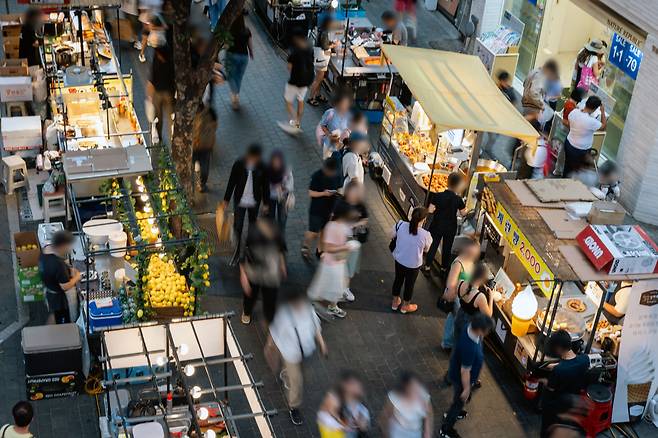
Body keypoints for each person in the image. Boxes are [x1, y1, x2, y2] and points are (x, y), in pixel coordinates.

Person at [265, 289, 328, 426]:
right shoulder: (283, 316)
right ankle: (294, 406)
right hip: (290, 354)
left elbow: (316, 326)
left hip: (305, 351)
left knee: (298, 374)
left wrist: (322, 344)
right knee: (297, 382)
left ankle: (286, 373)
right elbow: (274, 333)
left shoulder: (308, 309)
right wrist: (270, 348)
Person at [440, 313, 494, 438]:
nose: (487, 333)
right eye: (487, 330)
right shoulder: (469, 346)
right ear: (480, 330)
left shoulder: (468, 327)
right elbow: (465, 371)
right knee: (459, 401)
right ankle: (446, 428)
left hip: (459, 372)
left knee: (461, 399)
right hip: (461, 378)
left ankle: (455, 412)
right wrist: (467, 389)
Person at [308, 202, 360, 318]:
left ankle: (330, 306)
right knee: (326, 286)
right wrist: (346, 247)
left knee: (334, 286)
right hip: (330, 264)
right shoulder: (331, 227)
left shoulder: (342, 225)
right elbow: (327, 247)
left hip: (338, 262)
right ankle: (318, 305)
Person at [222, 144, 270, 266]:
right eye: (254, 158)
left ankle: (249, 249)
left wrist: (266, 203)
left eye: (257, 158)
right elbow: (231, 182)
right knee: (238, 225)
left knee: (253, 225)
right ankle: (237, 252)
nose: (255, 160)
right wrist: (226, 200)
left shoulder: (262, 166)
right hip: (240, 200)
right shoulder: (239, 164)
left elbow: (265, 186)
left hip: (254, 201)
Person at [539, 330, 590, 438]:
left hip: (555, 406)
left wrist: (545, 381)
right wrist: (558, 365)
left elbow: (550, 390)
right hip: (571, 403)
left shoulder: (558, 371)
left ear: (558, 348)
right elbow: (571, 364)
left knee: (548, 432)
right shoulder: (585, 360)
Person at [239, 218, 286, 325]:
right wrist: (243, 275)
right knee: (250, 294)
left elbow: (281, 250)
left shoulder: (277, 234)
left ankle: (269, 316)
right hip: (254, 270)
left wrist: (282, 265)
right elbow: (243, 256)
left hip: (271, 271)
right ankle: (247, 311)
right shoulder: (252, 235)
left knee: (271, 296)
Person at [440, 239, 480, 351]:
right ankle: (448, 343)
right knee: (455, 320)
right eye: (474, 251)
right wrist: (452, 297)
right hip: (457, 298)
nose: (476, 254)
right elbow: (451, 283)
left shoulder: (471, 262)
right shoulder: (458, 263)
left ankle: (453, 343)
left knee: (458, 321)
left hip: (465, 298)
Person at [391, 207, 432, 314]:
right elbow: (427, 249)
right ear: (423, 220)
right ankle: (405, 306)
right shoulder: (426, 235)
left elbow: (392, 235)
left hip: (399, 259)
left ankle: (395, 302)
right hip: (413, 265)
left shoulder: (400, 225)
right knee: (410, 284)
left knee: (398, 279)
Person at [423, 172, 467, 273]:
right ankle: (443, 269)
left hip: (437, 224)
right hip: (450, 227)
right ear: (457, 186)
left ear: (447, 182)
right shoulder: (458, 199)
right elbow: (464, 213)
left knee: (433, 245)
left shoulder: (438, 196)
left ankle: (427, 267)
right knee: (447, 248)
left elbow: (430, 210)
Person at [336, 180, 369, 301]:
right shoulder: (340, 204)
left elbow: (365, 219)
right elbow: (333, 219)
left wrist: (355, 224)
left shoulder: (361, 205)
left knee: (350, 265)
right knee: (340, 264)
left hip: (353, 240)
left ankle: (345, 288)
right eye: (356, 191)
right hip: (340, 239)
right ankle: (338, 288)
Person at [302, 158, 340, 260]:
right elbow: (311, 192)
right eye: (330, 171)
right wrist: (324, 193)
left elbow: (337, 191)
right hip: (316, 210)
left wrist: (333, 211)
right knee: (314, 232)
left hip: (328, 210)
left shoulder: (335, 176)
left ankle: (319, 250)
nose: (332, 173)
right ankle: (306, 245)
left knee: (324, 231)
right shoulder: (317, 176)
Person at [39, 230, 80, 324]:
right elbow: (65, 286)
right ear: (62, 246)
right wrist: (77, 277)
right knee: (62, 317)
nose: (70, 248)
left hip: (49, 290)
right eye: (68, 245)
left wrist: (68, 269)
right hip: (58, 298)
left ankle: (51, 329)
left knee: (54, 313)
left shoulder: (46, 249)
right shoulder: (57, 265)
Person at [146, 15, 175, 144]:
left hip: (159, 93)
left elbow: (151, 79)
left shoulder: (157, 61)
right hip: (169, 93)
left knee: (159, 117)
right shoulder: (171, 60)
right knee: (170, 118)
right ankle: (172, 137)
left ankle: (160, 137)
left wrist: (149, 96)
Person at [379, 371, 433, 438]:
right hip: (398, 432)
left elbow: (429, 414)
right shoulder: (395, 398)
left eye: (418, 386)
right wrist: (386, 434)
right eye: (413, 388)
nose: (418, 391)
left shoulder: (423, 396)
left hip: (415, 433)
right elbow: (385, 417)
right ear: (405, 389)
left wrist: (427, 432)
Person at [279, 32, 315, 134]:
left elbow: (289, 67)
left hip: (294, 82)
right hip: (306, 81)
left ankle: (294, 122)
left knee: (288, 101)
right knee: (300, 100)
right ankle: (298, 122)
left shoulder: (294, 52)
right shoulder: (309, 49)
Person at [317, 370, 370, 438]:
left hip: (350, 430)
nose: (356, 388)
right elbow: (326, 417)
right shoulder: (334, 399)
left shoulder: (356, 398)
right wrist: (343, 426)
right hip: (336, 432)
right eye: (351, 384)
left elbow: (362, 413)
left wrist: (362, 420)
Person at [564, 96, 606, 176]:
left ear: (586, 103)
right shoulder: (591, 121)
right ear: (594, 109)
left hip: (569, 143)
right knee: (576, 172)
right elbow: (603, 127)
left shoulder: (574, 112)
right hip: (580, 150)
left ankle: (562, 182)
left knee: (567, 167)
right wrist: (603, 112)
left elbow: (569, 123)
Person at [453, 262, 494, 339]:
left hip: (459, 317)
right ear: (482, 279)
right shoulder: (480, 297)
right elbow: (488, 315)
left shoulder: (461, 282)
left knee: (457, 342)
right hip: (471, 325)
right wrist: (491, 298)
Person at [225, 9, 253, 110]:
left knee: (230, 76)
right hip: (244, 57)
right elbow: (250, 44)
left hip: (232, 55)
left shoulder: (230, 31)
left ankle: (235, 96)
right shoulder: (247, 30)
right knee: (238, 77)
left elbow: (227, 45)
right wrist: (251, 53)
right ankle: (235, 96)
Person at [308, 15, 336, 107]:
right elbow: (325, 46)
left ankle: (318, 94)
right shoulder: (325, 32)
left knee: (321, 78)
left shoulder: (322, 30)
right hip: (321, 58)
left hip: (321, 57)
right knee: (318, 79)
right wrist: (334, 45)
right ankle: (311, 97)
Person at [266, 149, 294, 237]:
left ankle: (280, 237)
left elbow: (291, 184)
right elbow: (263, 185)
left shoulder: (286, 170)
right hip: (270, 197)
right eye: (274, 161)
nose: (276, 163)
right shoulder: (267, 170)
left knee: (282, 219)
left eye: (278, 161)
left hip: (283, 197)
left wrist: (283, 186)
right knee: (270, 218)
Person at [318, 93, 353, 158]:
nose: (345, 106)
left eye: (347, 104)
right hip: (329, 144)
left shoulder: (349, 115)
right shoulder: (330, 113)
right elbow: (323, 125)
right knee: (328, 163)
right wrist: (329, 135)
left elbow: (350, 128)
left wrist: (347, 132)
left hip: (341, 146)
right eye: (343, 103)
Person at [192, 104, 218, 192]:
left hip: (205, 148)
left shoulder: (210, 112)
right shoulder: (189, 113)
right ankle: (191, 185)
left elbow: (215, 125)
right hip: (193, 148)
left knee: (205, 170)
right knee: (189, 168)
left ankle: (201, 184)